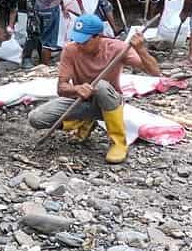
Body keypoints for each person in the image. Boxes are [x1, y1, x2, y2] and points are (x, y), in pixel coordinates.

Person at [27, 15, 160, 164]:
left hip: (110, 102)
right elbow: (61, 88)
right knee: (36, 118)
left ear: (98, 37)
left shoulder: (117, 48)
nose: (79, 44)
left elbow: (155, 72)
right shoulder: (71, 50)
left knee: (100, 86)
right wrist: (77, 89)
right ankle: (85, 121)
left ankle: (118, 143)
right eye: (76, 40)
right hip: (81, 100)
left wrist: (141, 50)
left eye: (84, 41)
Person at [21, 0, 42, 68]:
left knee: (41, 30)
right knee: (33, 29)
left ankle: (41, 55)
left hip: (44, 1)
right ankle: (26, 57)